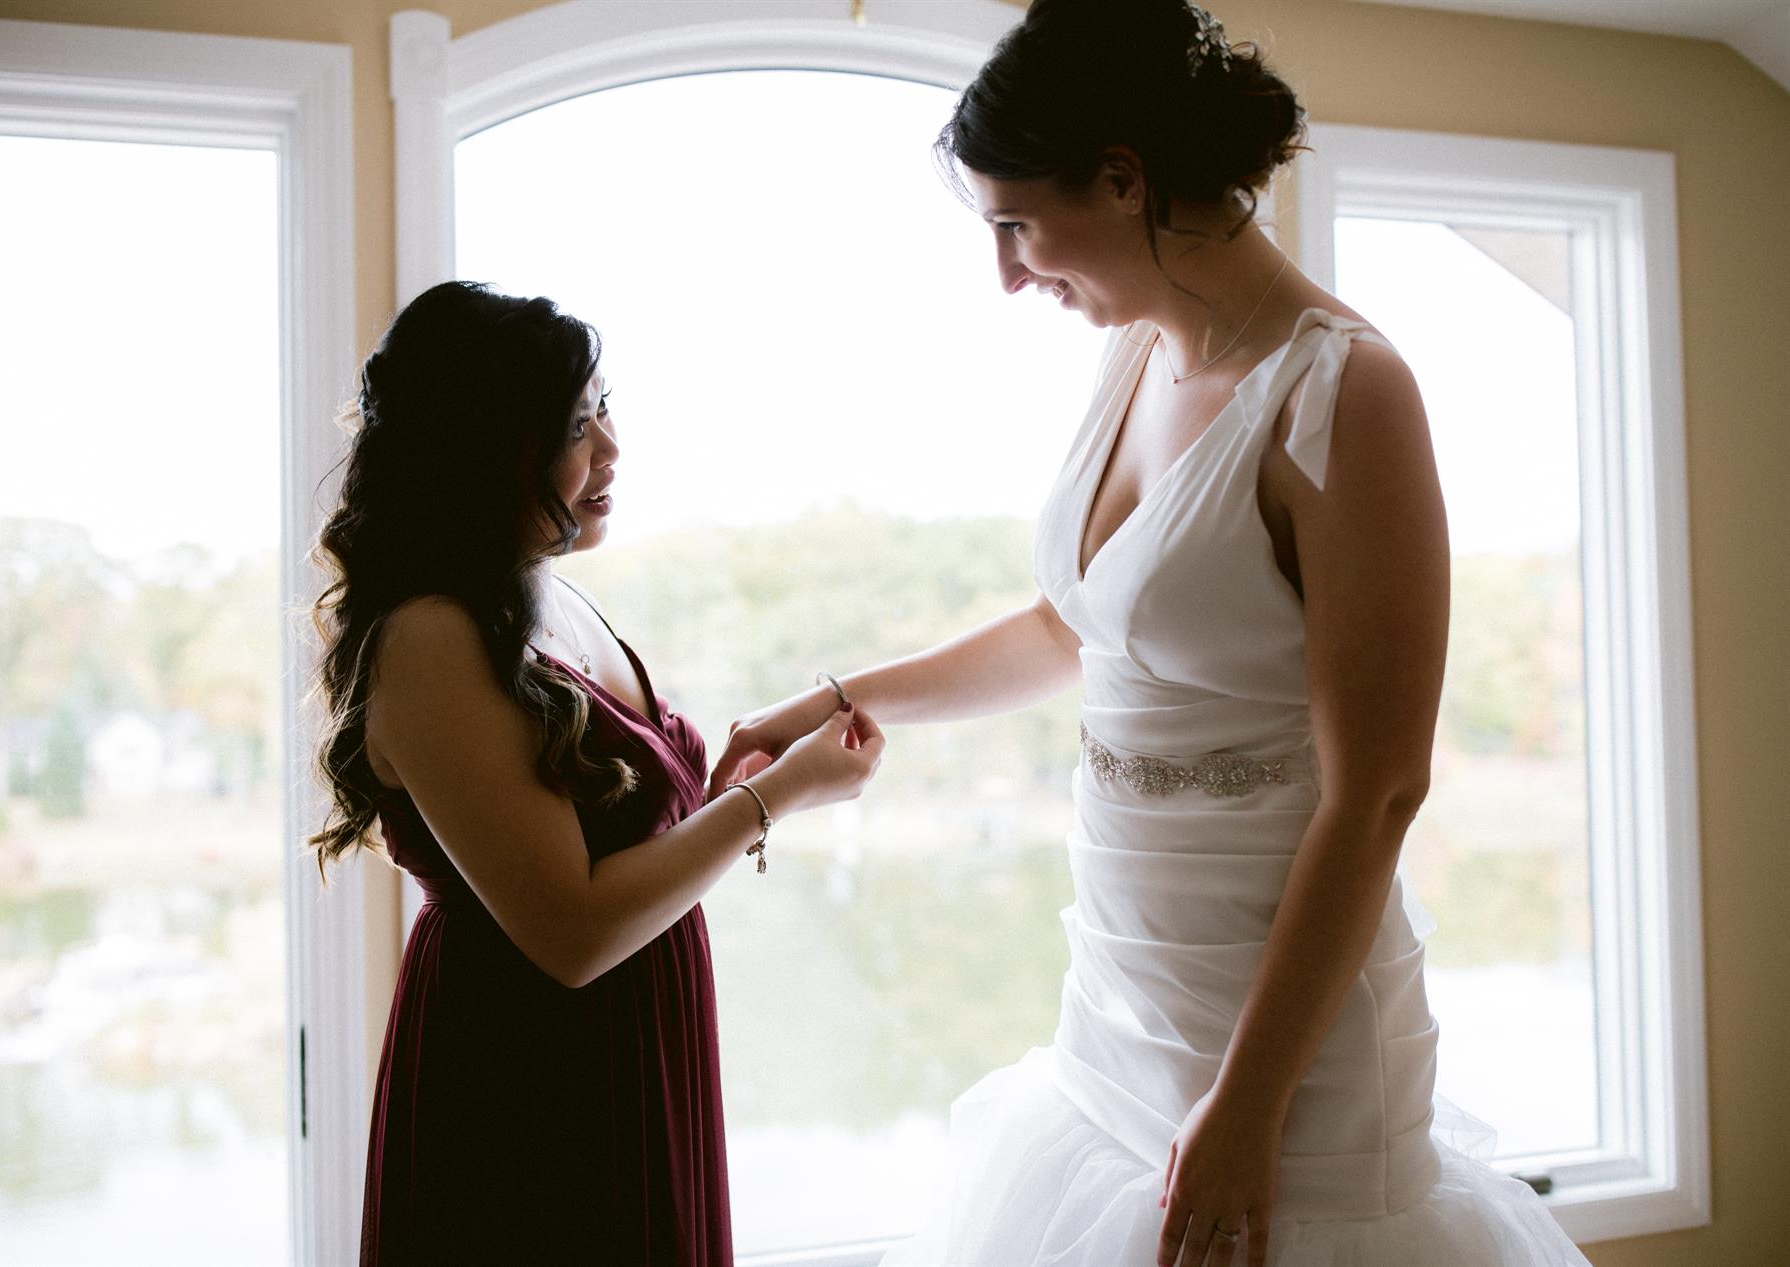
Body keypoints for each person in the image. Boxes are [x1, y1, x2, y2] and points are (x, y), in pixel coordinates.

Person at [710, 2, 1591, 1263]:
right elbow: (1069, 626)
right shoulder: (1131, 357)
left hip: (1282, 1045)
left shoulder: (1344, 389)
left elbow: (1381, 790)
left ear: (1122, 180)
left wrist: (1250, 1097)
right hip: (1117, 1005)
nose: (1008, 273)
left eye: (1016, 224)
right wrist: (842, 695)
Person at [308, 280, 883, 1266]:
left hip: (634, 1044)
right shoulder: (434, 635)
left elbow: (612, 841)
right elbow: (570, 930)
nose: (610, 449)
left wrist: (736, 781)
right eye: (576, 426)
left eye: (604, 408)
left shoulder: (543, 593)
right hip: (531, 1082)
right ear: (487, 449)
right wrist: (776, 796)